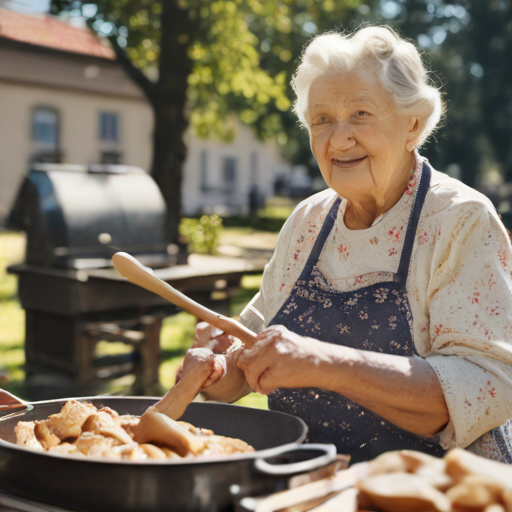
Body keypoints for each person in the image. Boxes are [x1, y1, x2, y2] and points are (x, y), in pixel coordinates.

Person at [182, 26, 512, 463]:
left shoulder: (459, 219)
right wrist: (219, 365)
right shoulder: (307, 222)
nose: (338, 139)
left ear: (412, 123)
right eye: (322, 120)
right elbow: (248, 361)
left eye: (360, 113)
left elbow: (486, 387)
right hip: (310, 485)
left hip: (433, 491)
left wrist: (325, 362)